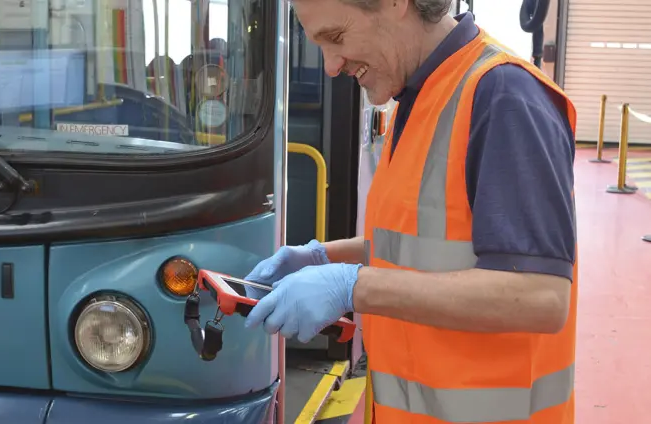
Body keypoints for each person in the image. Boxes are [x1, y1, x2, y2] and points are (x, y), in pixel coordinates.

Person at [244, 1, 577, 423]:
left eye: (337, 37)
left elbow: (541, 297)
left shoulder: (505, 98)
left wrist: (353, 287)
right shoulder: (418, 95)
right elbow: (425, 242)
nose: (330, 65)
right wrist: (323, 256)